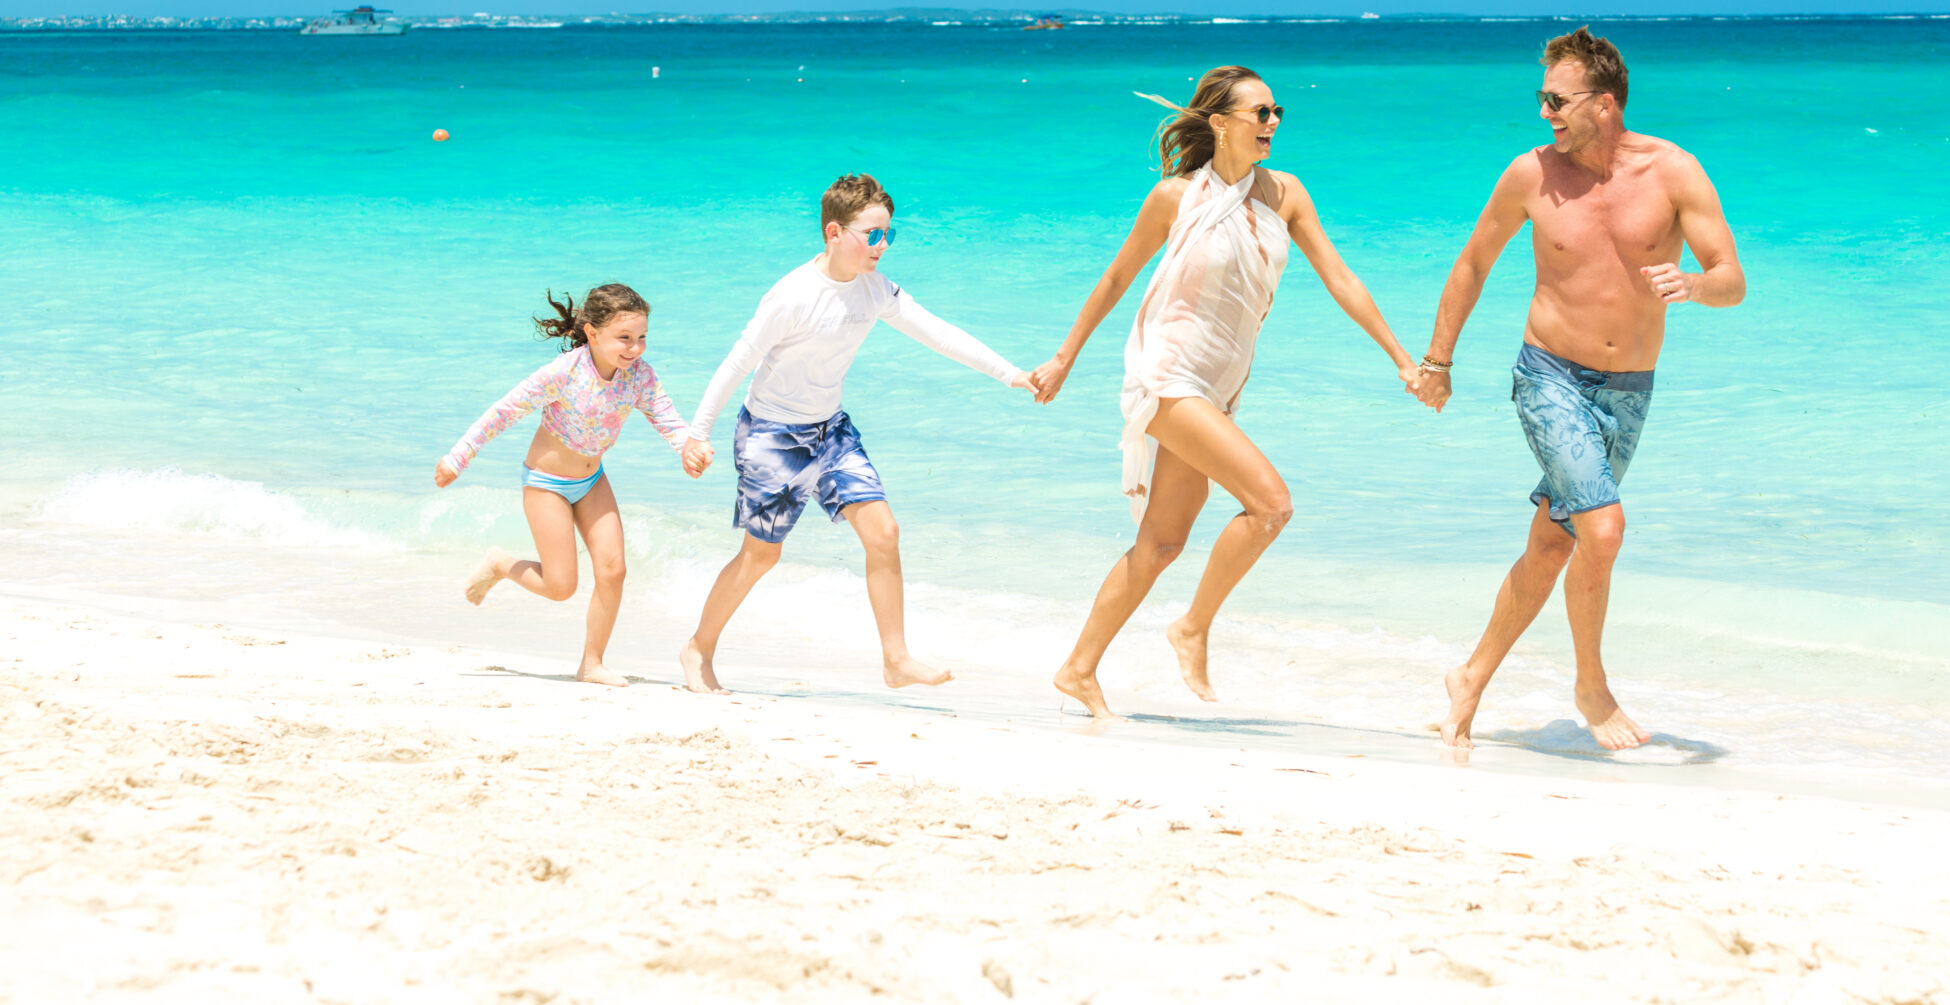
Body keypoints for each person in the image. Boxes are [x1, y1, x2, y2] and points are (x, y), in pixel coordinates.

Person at [1032, 67, 1419, 720]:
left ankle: (1077, 669)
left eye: (1276, 111)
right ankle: (1192, 627)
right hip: (1167, 376)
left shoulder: (1285, 193)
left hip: (1218, 389)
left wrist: (1403, 359)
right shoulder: (1176, 196)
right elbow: (1117, 277)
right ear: (1219, 122)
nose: (1272, 123)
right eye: (1259, 113)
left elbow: (1341, 278)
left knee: (1162, 544)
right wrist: (1064, 356)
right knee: (1270, 505)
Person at [1411, 27, 1745, 751]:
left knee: (1551, 545)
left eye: (1557, 101)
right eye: (1542, 98)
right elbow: (1472, 264)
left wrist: (1692, 284)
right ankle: (1591, 686)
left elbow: (1732, 279)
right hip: (1549, 376)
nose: (1545, 113)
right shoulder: (1530, 174)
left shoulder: (1674, 171)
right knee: (1604, 528)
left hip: (1629, 389)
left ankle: (1468, 678)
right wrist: (1438, 361)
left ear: (1604, 103)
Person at [677, 173, 1038, 694]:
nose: (882, 245)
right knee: (762, 555)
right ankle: (698, 647)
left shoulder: (875, 289)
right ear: (834, 232)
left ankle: (896, 660)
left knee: (883, 533)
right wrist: (697, 434)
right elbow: (737, 363)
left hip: (832, 430)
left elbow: (938, 333)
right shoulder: (792, 295)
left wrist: (1012, 374)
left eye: (888, 233)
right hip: (774, 435)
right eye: (872, 234)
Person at [437, 284, 693, 687]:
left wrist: (689, 447)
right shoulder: (563, 372)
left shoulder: (639, 376)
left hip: (591, 480)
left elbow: (666, 417)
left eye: (642, 337)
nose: (635, 348)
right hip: (547, 485)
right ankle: (501, 564)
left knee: (613, 570)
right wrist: (459, 456)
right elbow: (504, 411)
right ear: (593, 333)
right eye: (624, 337)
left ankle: (591, 664)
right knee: (560, 587)